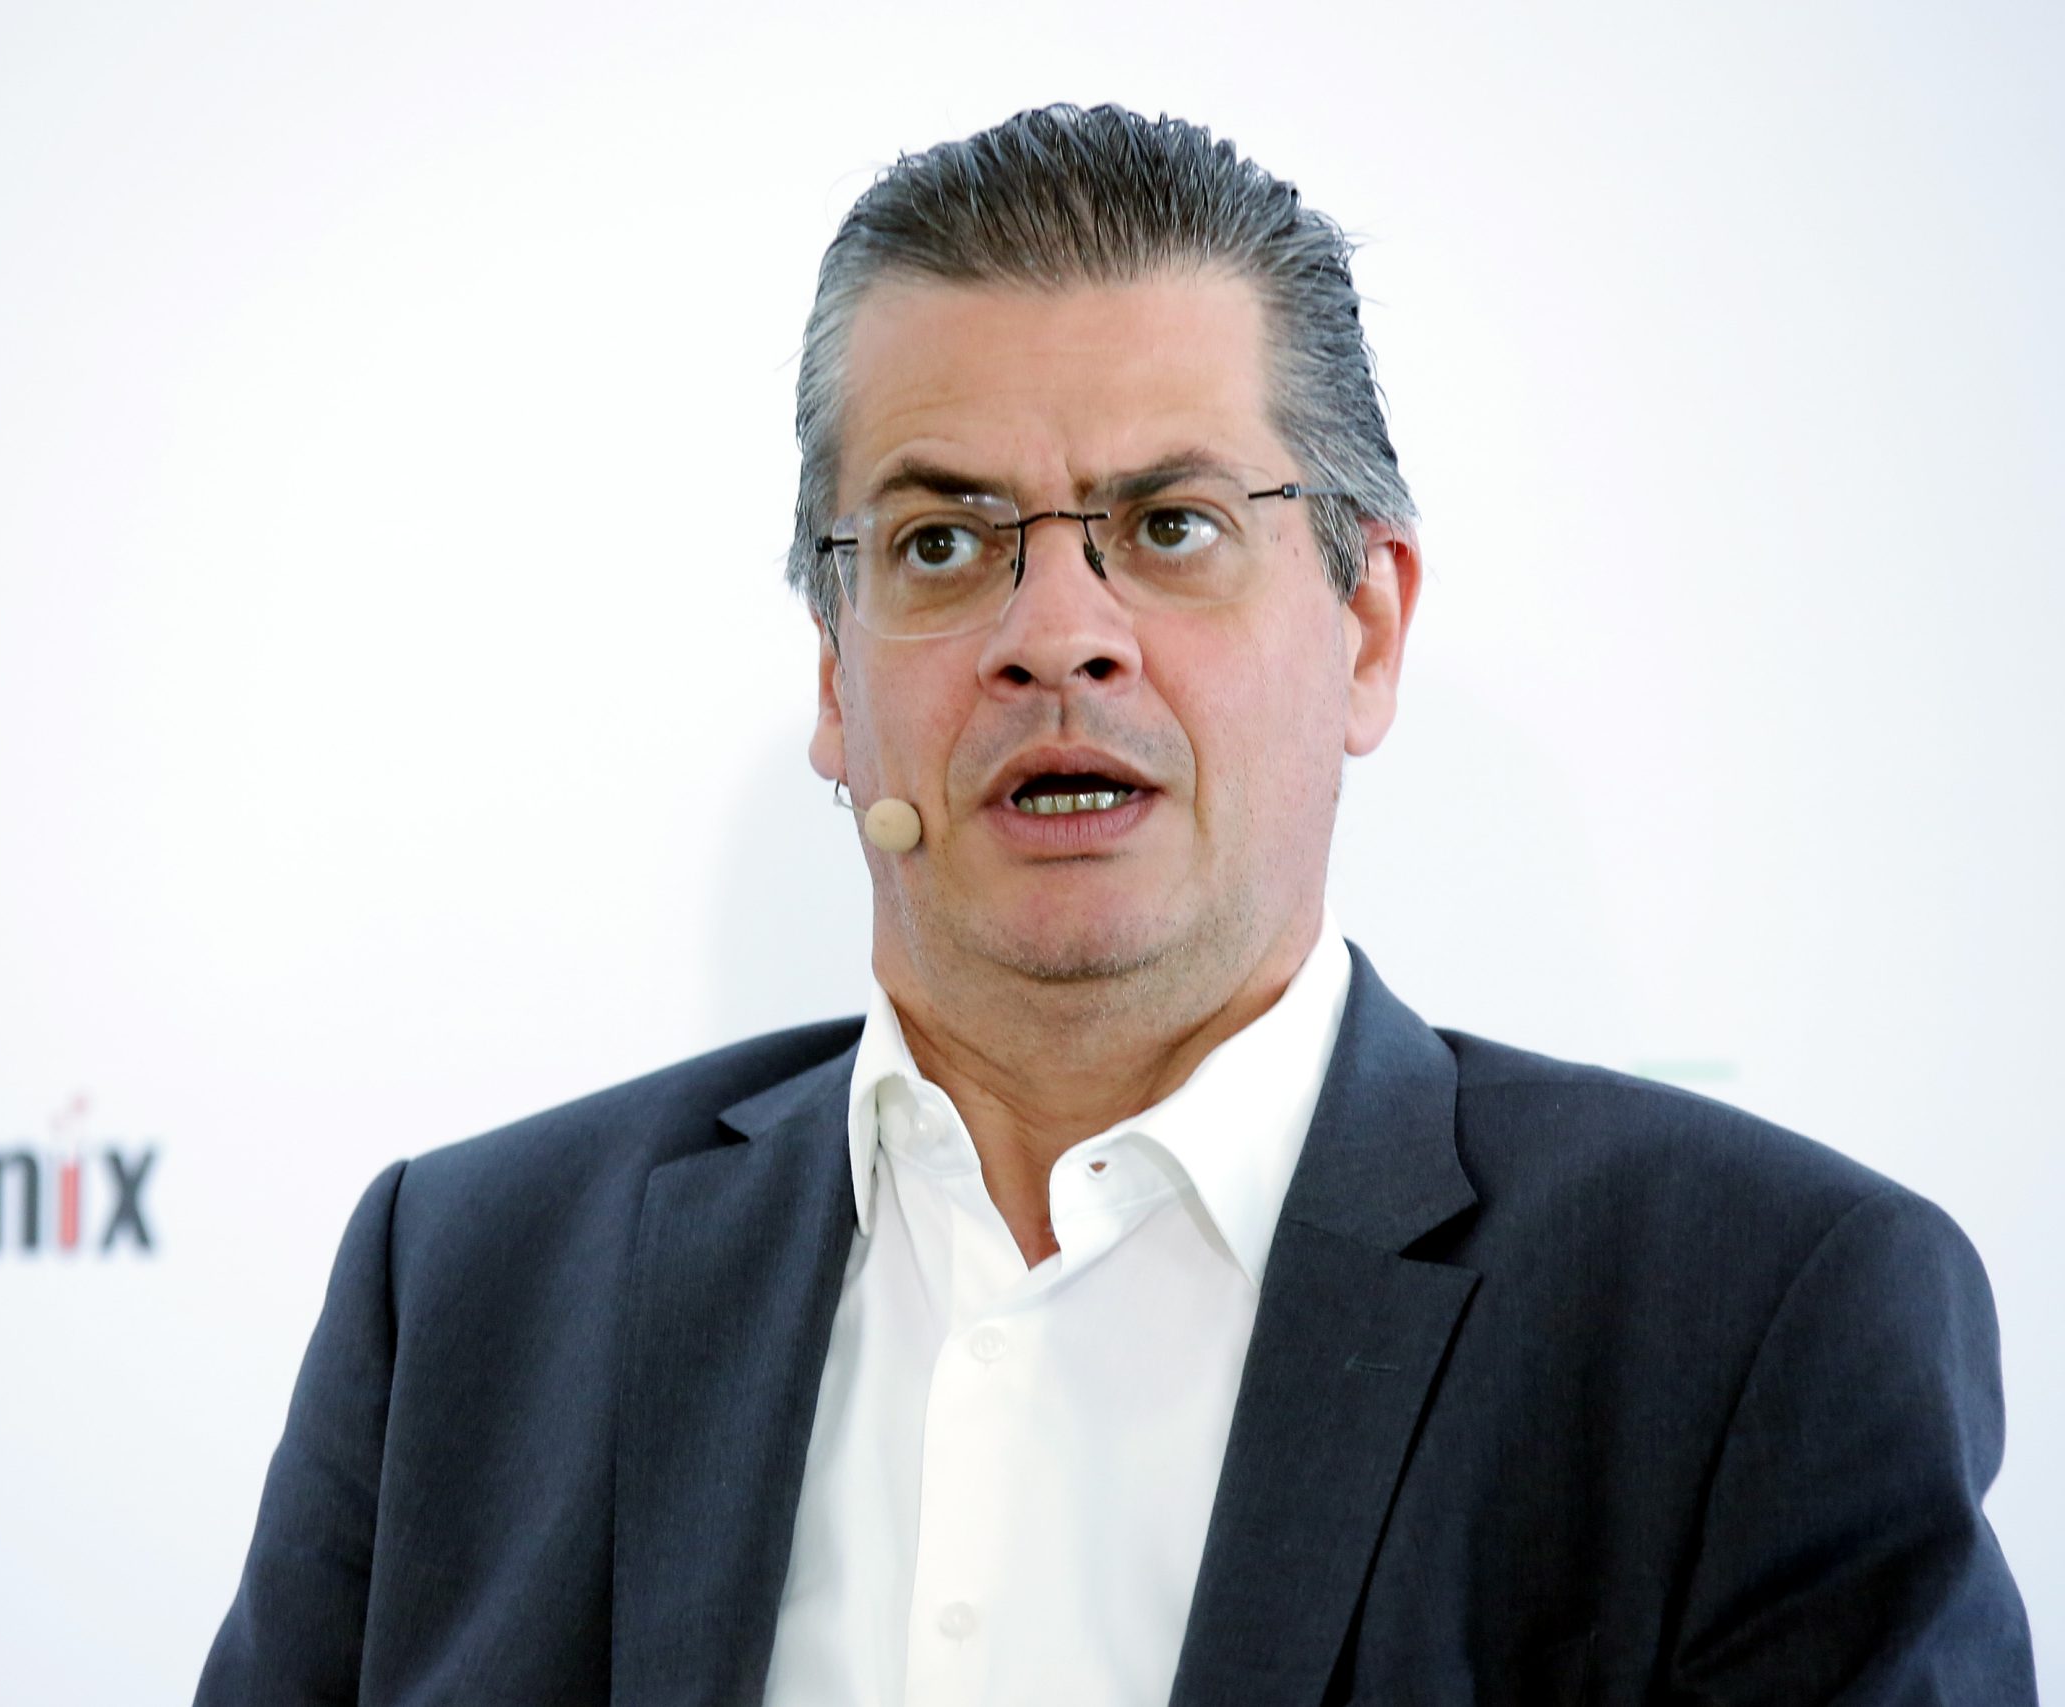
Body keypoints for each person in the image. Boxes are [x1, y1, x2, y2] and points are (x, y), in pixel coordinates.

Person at [194, 105, 2034, 1705]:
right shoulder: (469, 1292)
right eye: (941, 542)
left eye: (1170, 527)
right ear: (834, 673)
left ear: (1366, 627)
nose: (1057, 634)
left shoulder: (1754, 1321)